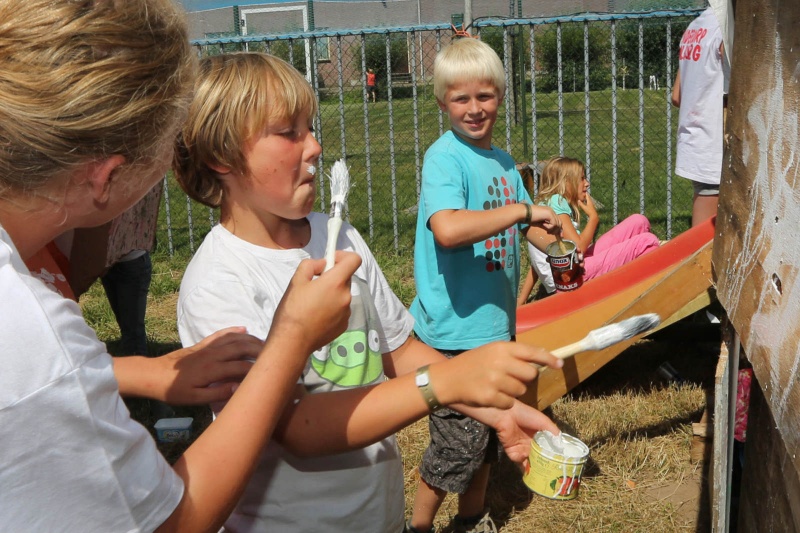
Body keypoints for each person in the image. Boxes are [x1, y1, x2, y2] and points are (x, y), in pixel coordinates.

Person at [0, 1, 362, 531]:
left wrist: (141, 370)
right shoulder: (31, 330)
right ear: (107, 177)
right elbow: (177, 522)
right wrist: (291, 340)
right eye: (172, 140)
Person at [172, 52, 564, 533]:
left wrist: (499, 410)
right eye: (288, 132)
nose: (314, 147)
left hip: (377, 514)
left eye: (310, 128)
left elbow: (399, 349)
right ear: (222, 156)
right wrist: (445, 383)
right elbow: (297, 426)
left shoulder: (337, 236)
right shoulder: (217, 283)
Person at [407, 38, 563, 533]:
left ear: (501, 95)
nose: (475, 109)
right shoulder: (445, 159)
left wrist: (556, 232)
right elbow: (449, 228)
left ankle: (470, 520)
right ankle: (417, 526)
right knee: (455, 447)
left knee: (492, 440)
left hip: (495, 328)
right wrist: (522, 210)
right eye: (461, 98)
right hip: (453, 333)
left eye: (485, 96)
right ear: (442, 103)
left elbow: (527, 226)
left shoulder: (501, 161)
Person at [530, 156, 660, 289]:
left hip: (576, 266)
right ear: (566, 182)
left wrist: (522, 300)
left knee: (639, 221)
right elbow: (579, 246)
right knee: (646, 242)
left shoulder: (548, 203)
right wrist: (593, 218)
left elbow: (537, 258)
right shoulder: (556, 201)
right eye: (581, 179)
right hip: (571, 277)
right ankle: (641, 289)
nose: (587, 183)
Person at [671, 7, 729, 227]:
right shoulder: (727, 26)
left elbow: (677, 96)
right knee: (705, 240)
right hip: (714, 144)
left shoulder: (695, 26)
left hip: (696, 140)